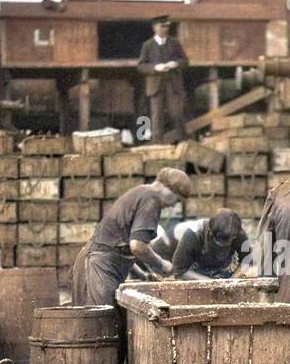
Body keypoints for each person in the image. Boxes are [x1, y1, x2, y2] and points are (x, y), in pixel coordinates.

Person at [71, 167, 192, 307]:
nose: (172, 206)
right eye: (177, 201)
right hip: (99, 266)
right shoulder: (151, 199)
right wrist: (163, 265)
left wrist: (143, 275)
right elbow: (137, 246)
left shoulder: (142, 192)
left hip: (97, 262)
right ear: (169, 189)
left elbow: (120, 244)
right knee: (100, 322)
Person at [149, 210, 249, 281]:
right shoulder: (193, 234)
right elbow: (179, 271)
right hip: (167, 256)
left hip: (208, 266)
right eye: (220, 241)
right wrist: (210, 283)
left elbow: (248, 261)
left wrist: (233, 280)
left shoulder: (238, 234)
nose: (224, 245)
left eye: (228, 241)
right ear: (210, 233)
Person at [137, 16, 190, 143]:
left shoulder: (175, 42)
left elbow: (185, 61)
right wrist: (155, 67)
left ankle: (184, 143)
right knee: (156, 117)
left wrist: (176, 64)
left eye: (167, 26)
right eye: (162, 26)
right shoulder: (148, 45)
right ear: (155, 27)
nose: (165, 29)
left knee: (177, 113)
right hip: (155, 86)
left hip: (173, 84)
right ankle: (158, 146)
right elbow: (141, 66)